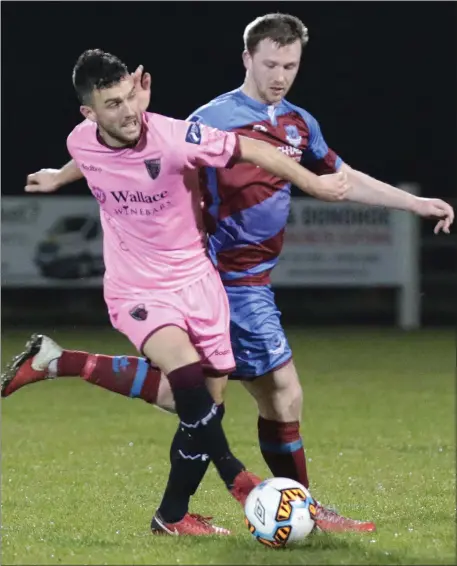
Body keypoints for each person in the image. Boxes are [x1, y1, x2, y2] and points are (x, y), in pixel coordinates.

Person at [3, 14, 454, 534]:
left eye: (291, 64)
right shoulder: (215, 116)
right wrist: (63, 173)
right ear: (247, 59)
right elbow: (130, 142)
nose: (280, 75)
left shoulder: (299, 122)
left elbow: (342, 179)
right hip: (220, 275)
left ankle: (162, 500)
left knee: (194, 401)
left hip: (247, 279)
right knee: (278, 392)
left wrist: (414, 204)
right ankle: (298, 508)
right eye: (270, 64)